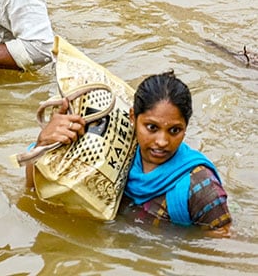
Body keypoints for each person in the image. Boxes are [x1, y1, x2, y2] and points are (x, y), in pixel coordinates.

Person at [28, 71, 231, 234]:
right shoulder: (108, 154)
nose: (161, 142)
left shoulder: (200, 188)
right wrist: (43, 143)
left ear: (186, 128)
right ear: (133, 117)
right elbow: (32, 194)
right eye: (151, 127)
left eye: (174, 130)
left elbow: (219, 247)